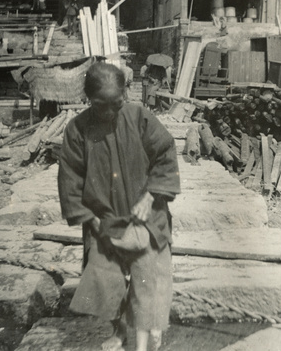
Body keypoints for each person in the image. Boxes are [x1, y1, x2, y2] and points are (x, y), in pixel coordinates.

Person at [58, 62, 180, 351]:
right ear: (89, 100)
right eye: (103, 105)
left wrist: (151, 196)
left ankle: (146, 329)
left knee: (149, 277)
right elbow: (70, 178)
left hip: (146, 217)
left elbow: (165, 153)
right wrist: (90, 219)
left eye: (118, 103)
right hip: (104, 219)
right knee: (106, 281)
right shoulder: (77, 130)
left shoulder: (139, 118)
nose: (111, 112)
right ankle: (121, 329)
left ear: (126, 95)